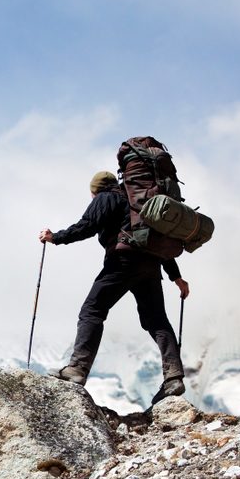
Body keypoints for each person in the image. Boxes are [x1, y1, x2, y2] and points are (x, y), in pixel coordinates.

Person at [39, 171, 189, 405]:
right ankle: (174, 378)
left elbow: (87, 226)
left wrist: (55, 237)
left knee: (92, 311)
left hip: (122, 262)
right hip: (150, 265)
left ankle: (77, 368)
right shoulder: (140, 204)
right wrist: (176, 278)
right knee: (156, 320)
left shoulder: (106, 197)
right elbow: (156, 243)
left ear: (94, 190)